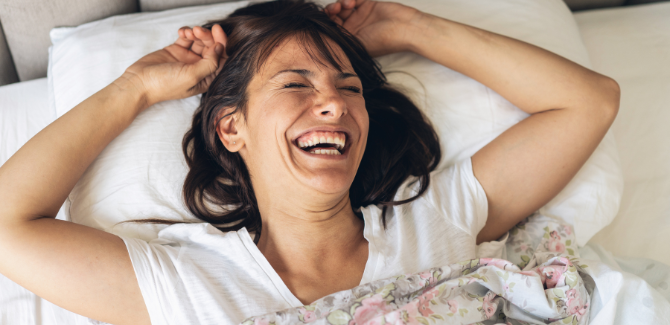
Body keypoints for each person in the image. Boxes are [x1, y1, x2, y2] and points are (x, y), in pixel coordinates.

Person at [0, 0, 619, 324]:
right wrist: (132, 88)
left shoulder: (437, 219)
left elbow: (589, 103)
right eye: (296, 84)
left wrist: (409, 25)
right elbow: (8, 226)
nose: (333, 104)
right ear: (231, 126)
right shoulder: (185, 286)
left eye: (350, 87)